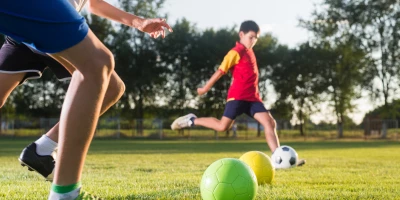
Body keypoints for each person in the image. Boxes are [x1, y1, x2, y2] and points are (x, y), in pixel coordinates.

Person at [0, 0, 172, 199]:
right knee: (98, 65)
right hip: (44, 15)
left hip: (31, 24)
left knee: (111, 86)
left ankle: (43, 150)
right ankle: (64, 191)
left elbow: (95, 4)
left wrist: (139, 22)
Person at [170, 20, 305, 168]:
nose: (253, 41)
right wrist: (205, 88)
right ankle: (192, 120)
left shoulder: (250, 51)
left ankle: (279, 159)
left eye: (256, 38)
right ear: (242, 34)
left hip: (253, 98)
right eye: (251, 37)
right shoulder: (236, 52)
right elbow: (220, 71)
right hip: (238, 97)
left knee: (270, 123)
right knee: (222, 127)